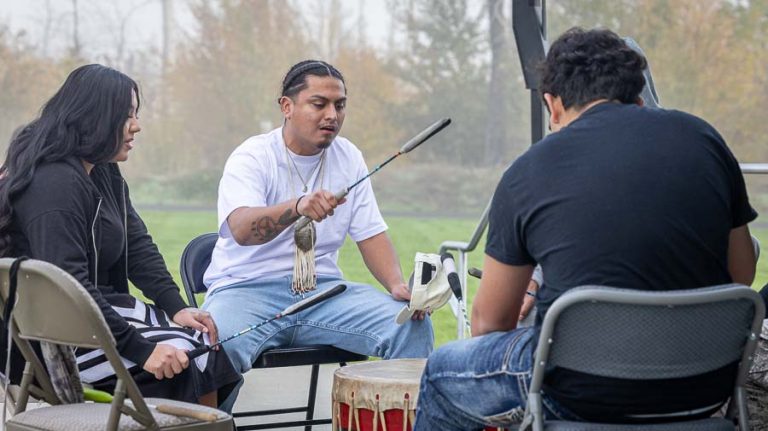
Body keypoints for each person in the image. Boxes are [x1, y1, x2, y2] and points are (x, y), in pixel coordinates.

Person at [414, 27, 757, 430]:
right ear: (638, 96)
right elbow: (741, 273)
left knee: (440, 373)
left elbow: (491, 323)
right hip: (704, 386)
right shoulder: (704, 139)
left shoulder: (528, 171)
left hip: (579, 394)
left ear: (552, 104)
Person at [0, 64, 241, 408]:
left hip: (94, 312)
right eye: (127, 115)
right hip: (50, 338)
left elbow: (138, 244)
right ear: (95, 118)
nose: (137, 126)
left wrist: (176, 307)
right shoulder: (53, 183)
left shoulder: (103, 170)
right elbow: (70, 287)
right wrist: (142, 350)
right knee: (191, 360)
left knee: (202, 343)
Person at [202, 60, 433, 401]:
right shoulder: (252, 156)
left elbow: (370, 233)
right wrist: (297, 207)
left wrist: (398, 285)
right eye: (319, 104)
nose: (332, 115)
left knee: (411, 326)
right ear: (287, 106)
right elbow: (241, 229)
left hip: (323, 294)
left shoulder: (348, 156)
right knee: (215, 345)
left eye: (340, 105)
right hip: (246, 291)